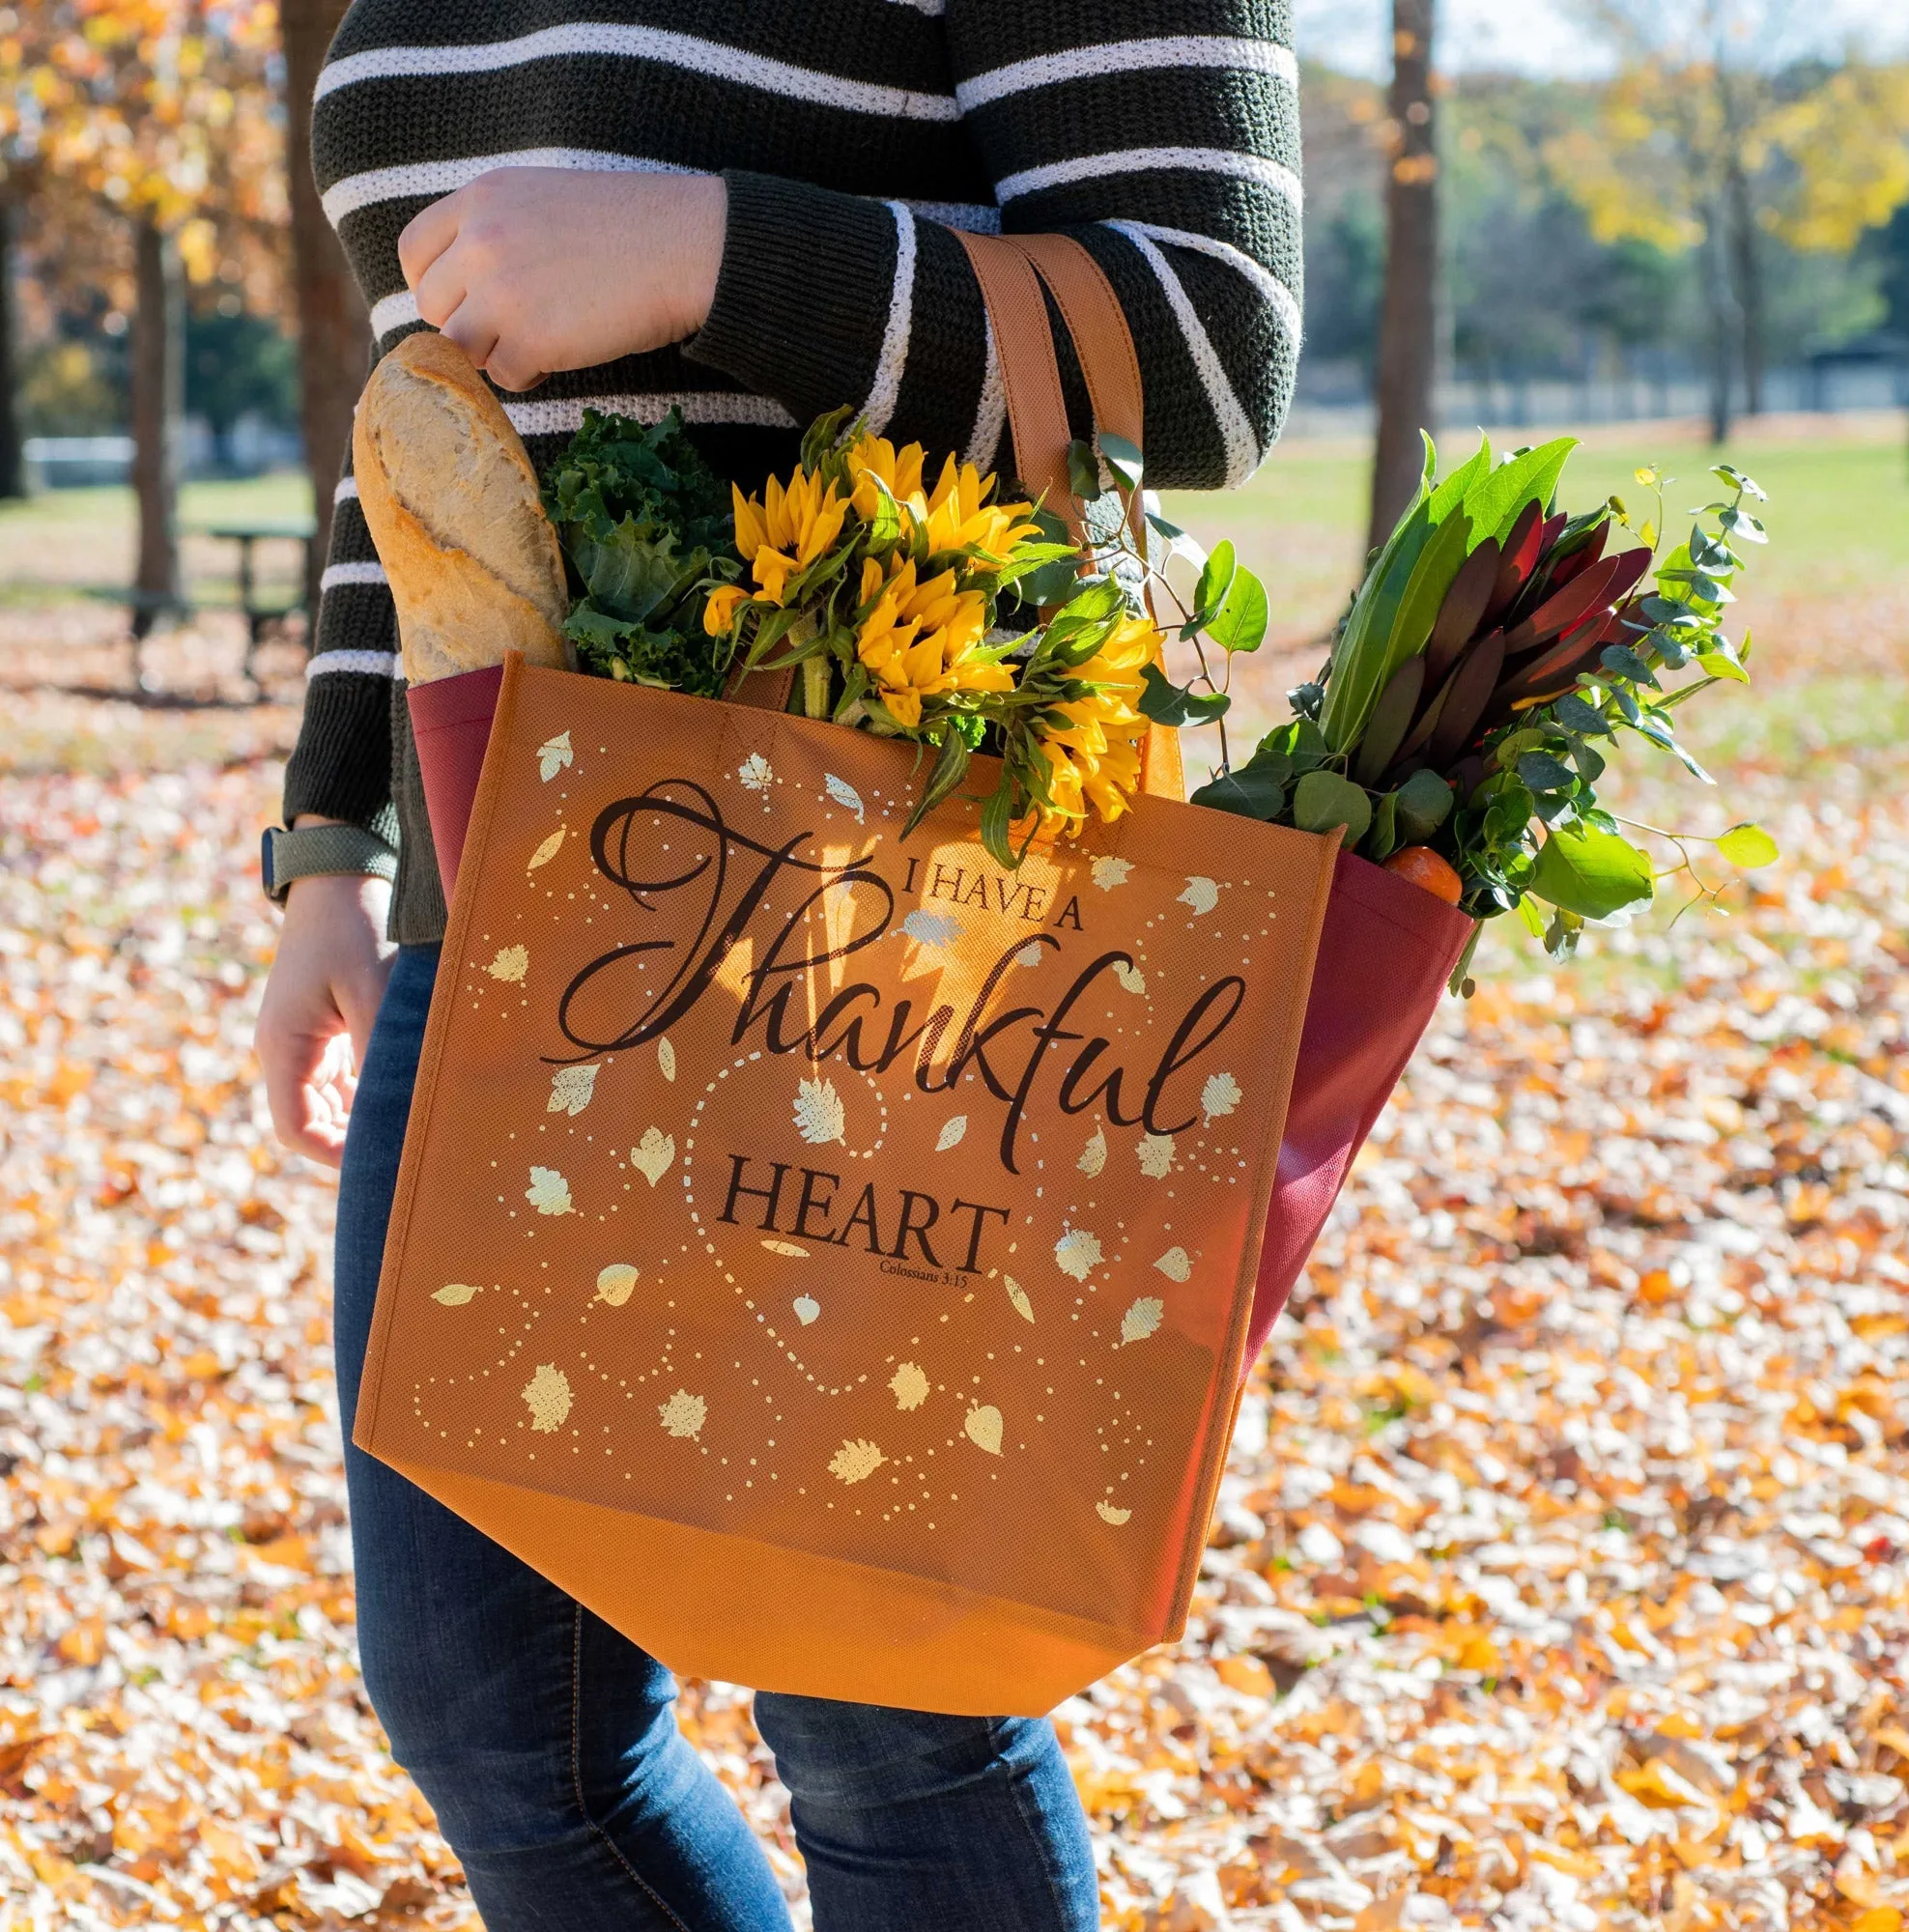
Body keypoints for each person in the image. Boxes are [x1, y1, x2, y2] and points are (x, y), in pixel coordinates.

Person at [254, 4, 1303, 1925]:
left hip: (868, 914)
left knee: (878, 1708)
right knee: (493, 1712)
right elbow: (431, 404)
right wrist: (332, 840)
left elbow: (1212, 341)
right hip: (495, 904)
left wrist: (705, 251)